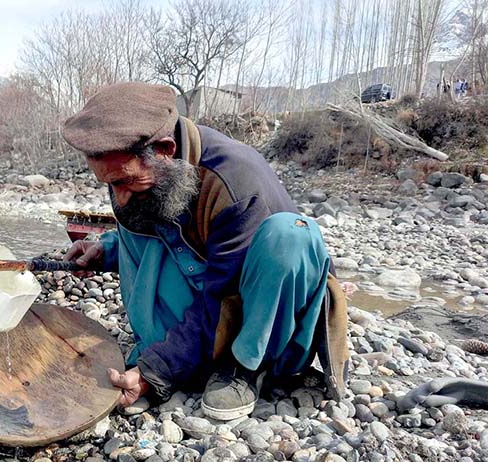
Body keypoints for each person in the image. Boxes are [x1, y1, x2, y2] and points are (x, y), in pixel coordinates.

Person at [61, 82, 349, 420]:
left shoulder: (235, 183)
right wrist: (106, 249)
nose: (118, 197)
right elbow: (167, 230)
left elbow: (223, 297)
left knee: (288, 237)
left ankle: (244, 367)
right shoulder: (149, 174)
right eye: (109, 184)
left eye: (125, 182)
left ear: (166, 150)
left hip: (266, 317)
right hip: (209, 293)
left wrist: (157, 370)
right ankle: (182, 355)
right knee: (137, 212)